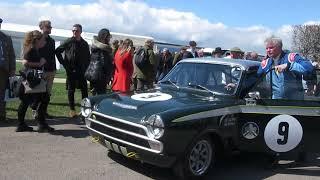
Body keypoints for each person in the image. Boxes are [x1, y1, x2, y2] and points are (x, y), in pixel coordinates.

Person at [17, 30, 54, 132]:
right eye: (42, 40)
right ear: (37, 40)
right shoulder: (31, 50)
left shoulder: (33, 49)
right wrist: (40, 63)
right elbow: (25, 63)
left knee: (26, 102)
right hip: (31, 81)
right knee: (44, 99)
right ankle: (41, 124)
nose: (44, 42)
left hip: (29, 81)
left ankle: (22, 124)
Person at [55, 24, 90, 118]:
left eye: (77, 31)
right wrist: (64, 63)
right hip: (71, 70)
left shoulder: (84, 43)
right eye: (73, 30)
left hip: (82, 71)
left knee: (84, 91)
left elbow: (88, 57)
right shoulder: (68, 41)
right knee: (71, 90)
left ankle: (84, 111)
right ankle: (72, 110)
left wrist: (86, 67)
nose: (75, 32)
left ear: (81, 32)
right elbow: (57, 51)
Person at [38, 20, 55, 118]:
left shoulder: (51, 41)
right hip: (41, 70)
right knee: (39, 92)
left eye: (50, 27)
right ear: (42, 27)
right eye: (48, 27)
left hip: (50, 70)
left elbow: (52, 55)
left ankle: (44, 111)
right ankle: (36, 112)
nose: (50, 28)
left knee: (47, 93)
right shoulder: (36, 39)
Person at [88, 28, 113, 95]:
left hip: (95, 76)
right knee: (100, 97)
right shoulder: (102, 50)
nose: (109, 38)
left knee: (96, 96)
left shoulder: (96, 48)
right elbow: (104, 64)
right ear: (104, 36)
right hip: (100, 77)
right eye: (108, 36)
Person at [0, 18, 16, 122]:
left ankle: (1, 115)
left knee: (2, 94)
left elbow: (12, 55)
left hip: (3, 70)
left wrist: (13, 68)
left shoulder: (6, 38)